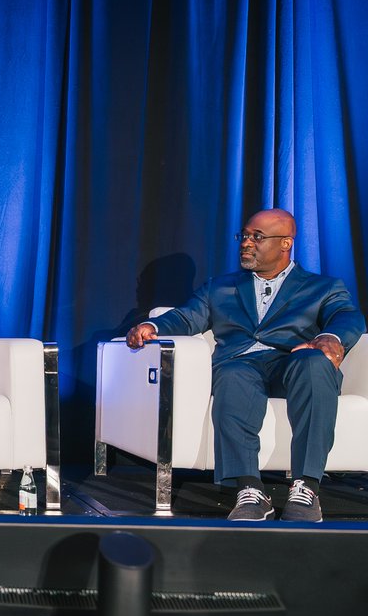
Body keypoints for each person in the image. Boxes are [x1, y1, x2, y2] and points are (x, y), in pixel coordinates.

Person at [126, 208, 365, 523]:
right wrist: (154, 327)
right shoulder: (220, 288)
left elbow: (347, 315)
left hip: (292, 363)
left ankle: (306, 488)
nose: (246, 243)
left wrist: (330, 338)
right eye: (245, 235)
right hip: (241, 364)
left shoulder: (322, 287)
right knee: (233, 373)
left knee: (314, 364)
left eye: (258, 237)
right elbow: (186, 317)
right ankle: (250, 490)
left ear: (285, 244)